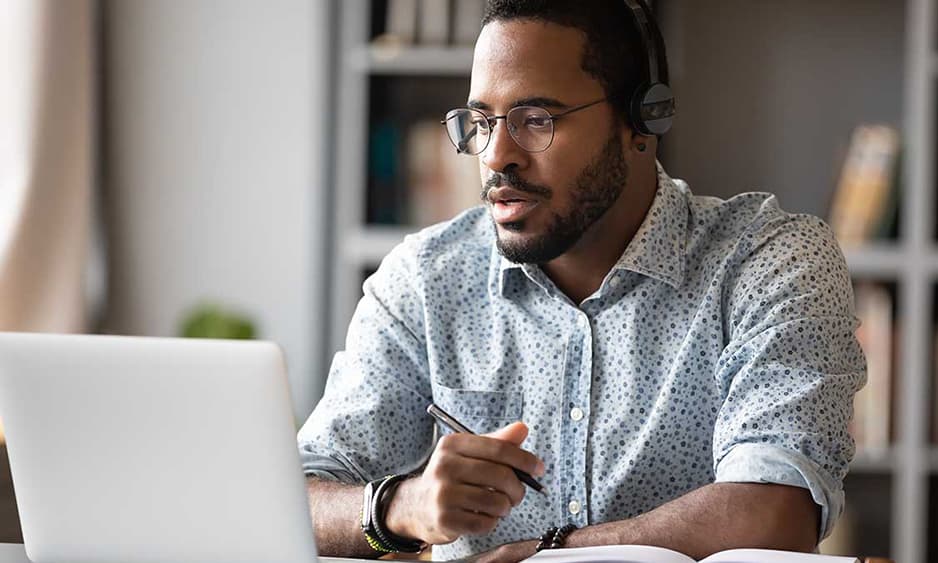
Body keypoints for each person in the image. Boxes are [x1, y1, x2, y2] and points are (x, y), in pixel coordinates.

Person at [297, 1, 866, 561]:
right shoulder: (427, 280)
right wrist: (399, 508)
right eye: (481, 122)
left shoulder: (768, 261)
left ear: (642, 120)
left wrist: (544, 554)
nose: (497, 157)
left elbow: (774, 512)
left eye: (536, 120)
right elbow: (297, 497)